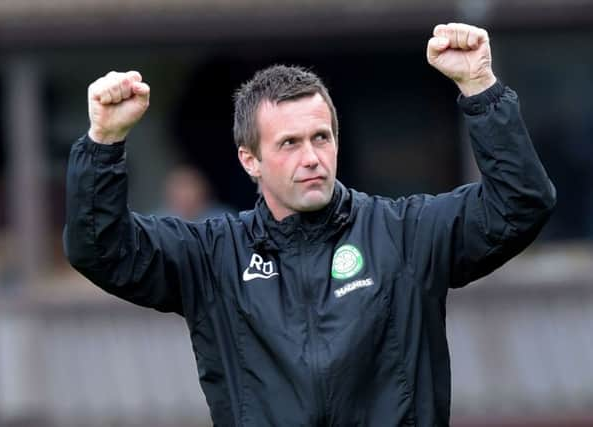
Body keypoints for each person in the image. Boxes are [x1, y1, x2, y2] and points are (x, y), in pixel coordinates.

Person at [64, 23, 555, 426]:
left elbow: (520, 204)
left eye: (321, 138)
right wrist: (103, 143)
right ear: (249, 160)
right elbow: (100, 249)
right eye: (289, 143)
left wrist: (480, 88)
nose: (312, 157)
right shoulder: (212, 255)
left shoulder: (405, 233)